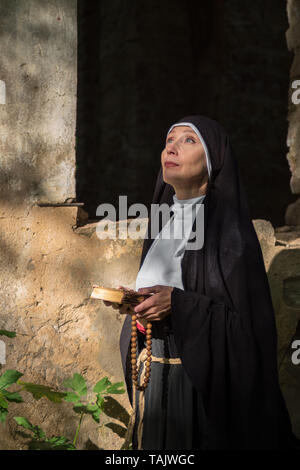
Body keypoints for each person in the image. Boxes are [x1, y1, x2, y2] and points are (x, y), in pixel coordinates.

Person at [105, 115, 299, 450]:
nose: (172, 147)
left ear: (214, 161)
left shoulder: (231, 235)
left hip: (200, 390)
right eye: (169, 140)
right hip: (156, 377)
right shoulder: (161, 224)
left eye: (188, 140)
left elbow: (246, 332)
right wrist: (135, 303)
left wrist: (178, 304)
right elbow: (162, 295)